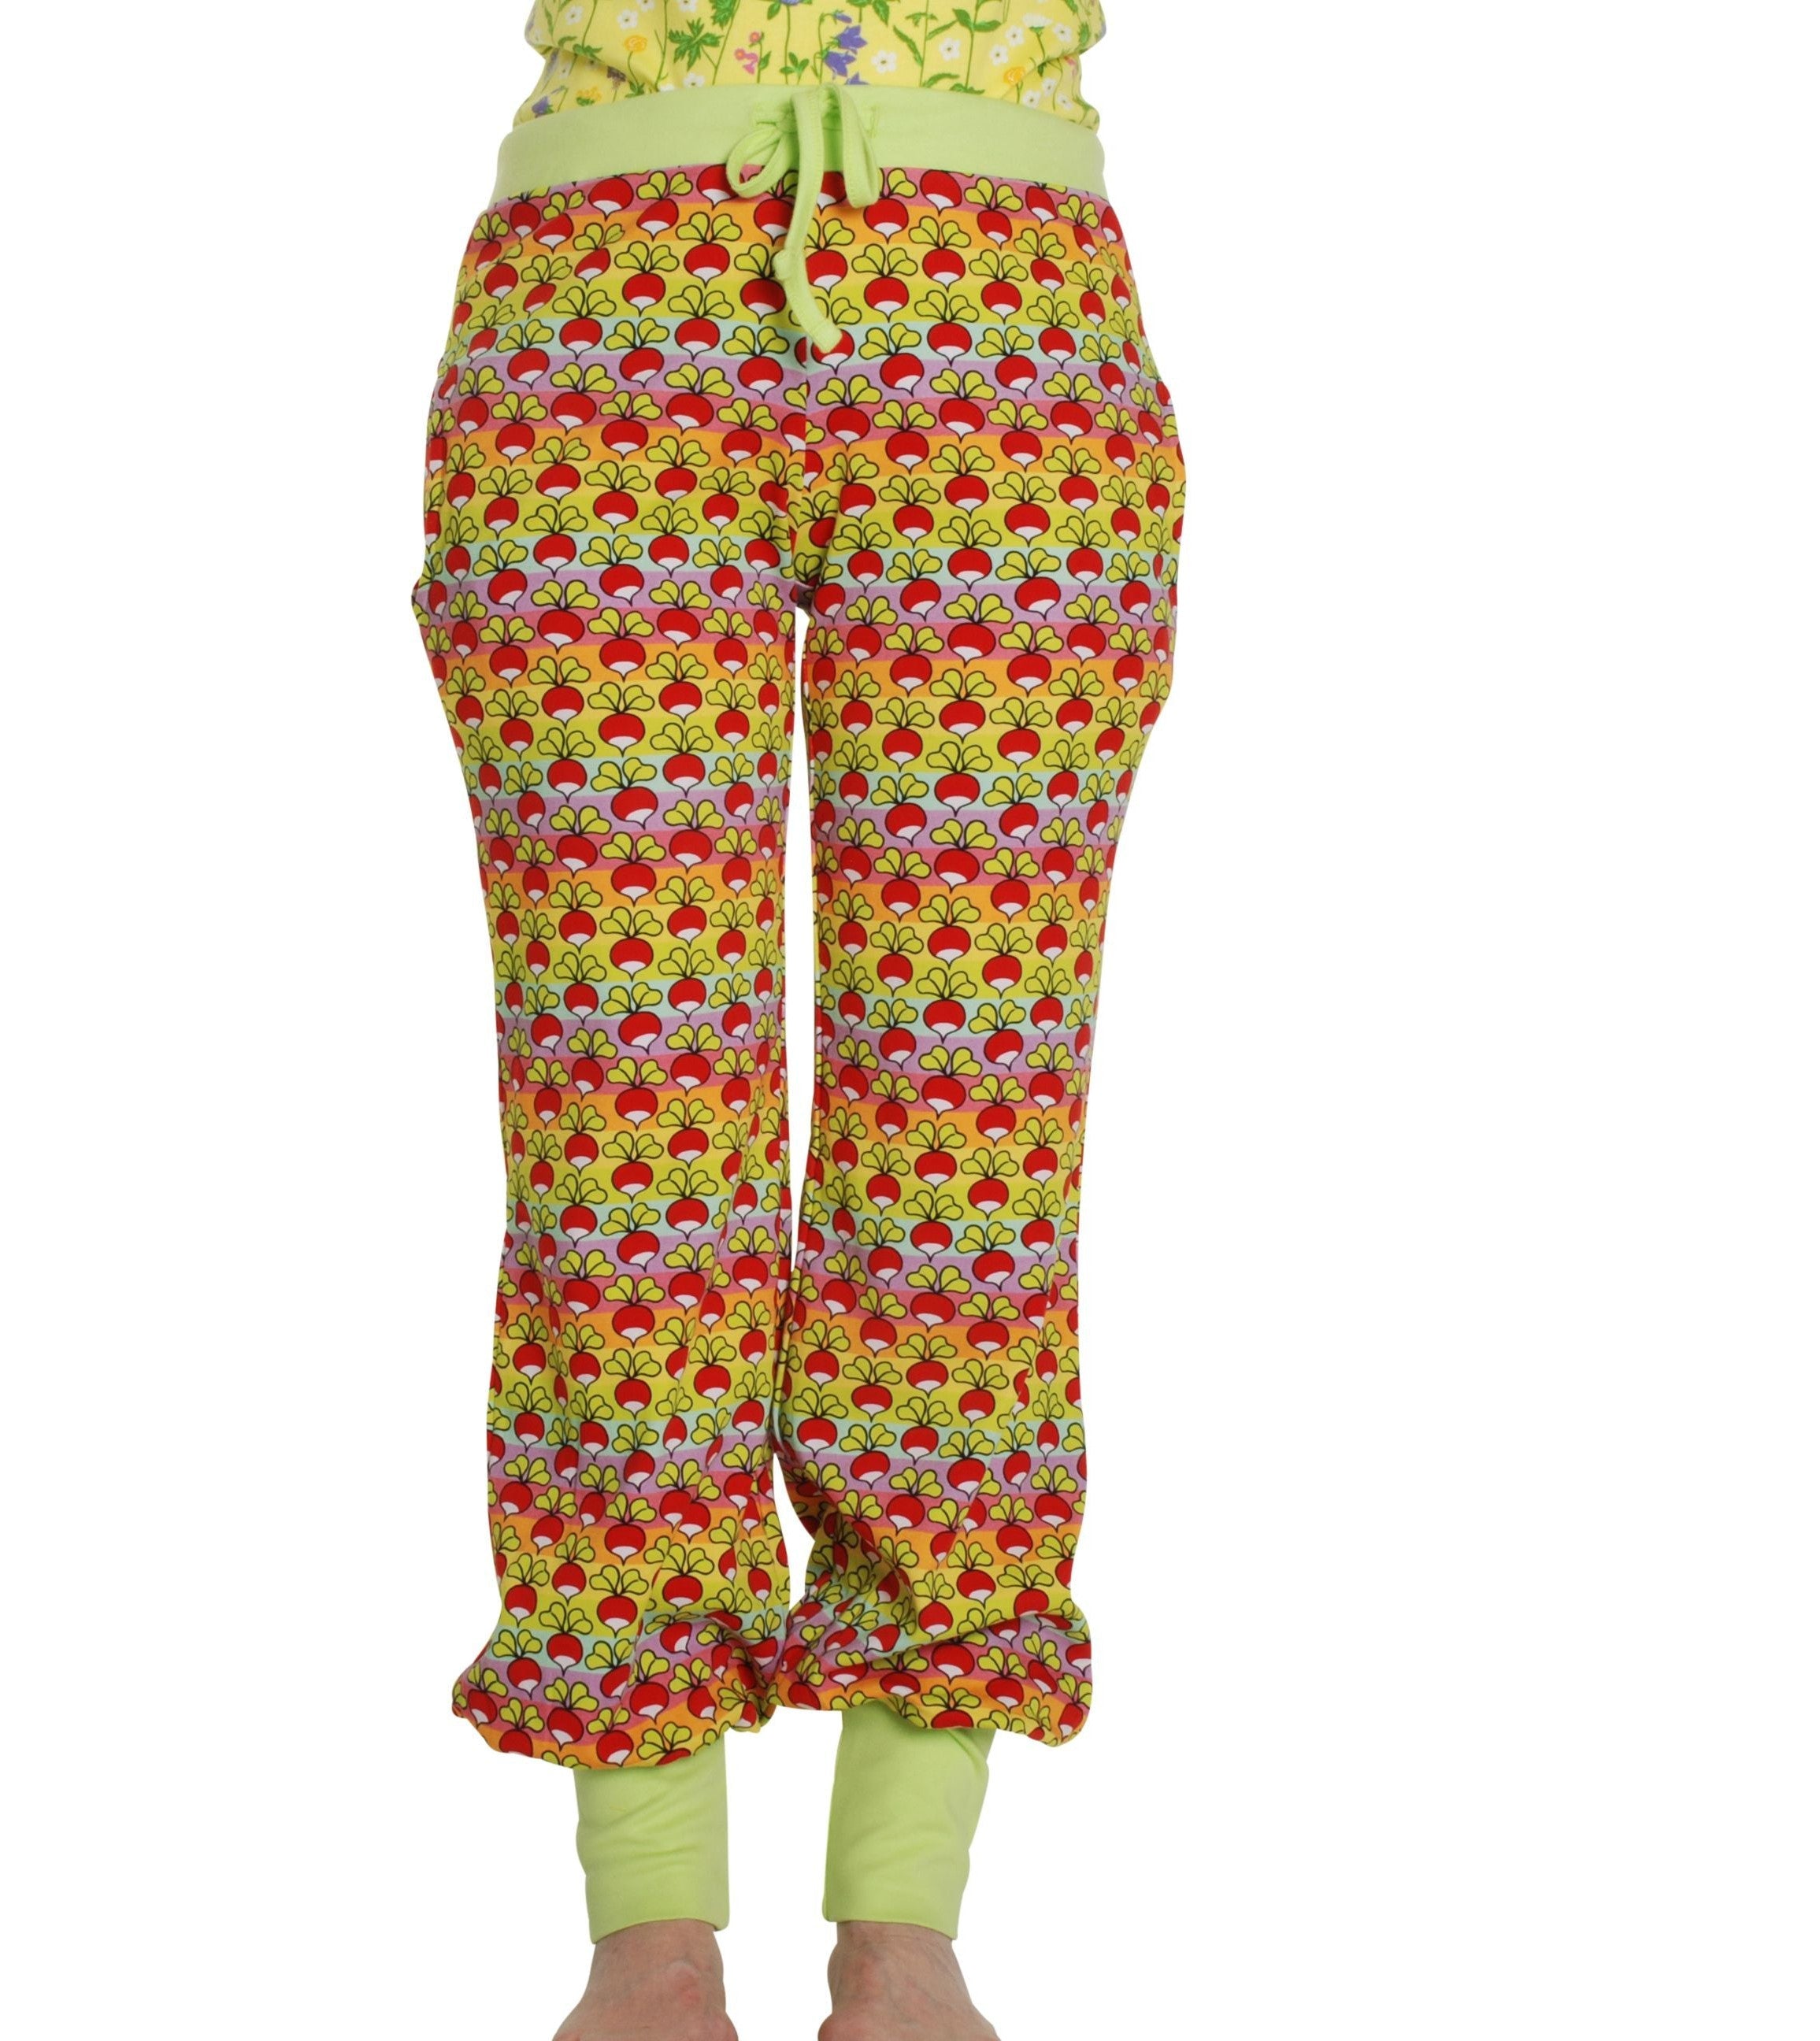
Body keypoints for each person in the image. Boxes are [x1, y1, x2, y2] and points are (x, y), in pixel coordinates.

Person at [412, 6, 1184, 2034]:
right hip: (607, 315)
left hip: (1003, 318)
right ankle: (650, 1926)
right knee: (621, 1124)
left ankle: (904, 1917)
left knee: (972, 1124)